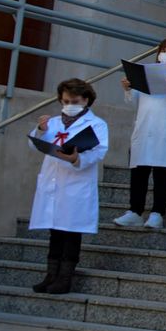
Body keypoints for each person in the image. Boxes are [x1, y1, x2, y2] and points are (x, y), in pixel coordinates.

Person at [28, 78, 109, 295]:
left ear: (86, 100)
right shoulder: (54, 122)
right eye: (65, 101)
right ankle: (50, 275)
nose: (69, 105)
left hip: (76, 184)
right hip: (54, 182)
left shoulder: (97, 124)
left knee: (71, 231)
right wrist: (40, 130)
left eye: (74, 101)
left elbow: (99, 151)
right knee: (55, 231)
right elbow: (35, 144)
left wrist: (76, 159)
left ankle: (65, 278)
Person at [114, 37, 166, 229]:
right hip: (145, 128)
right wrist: (128, 89)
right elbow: (133, 103)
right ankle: (135, 211)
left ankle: (157, 213)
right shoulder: (145, 73)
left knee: (162, 172)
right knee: (139, 171)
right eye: (164, 50)